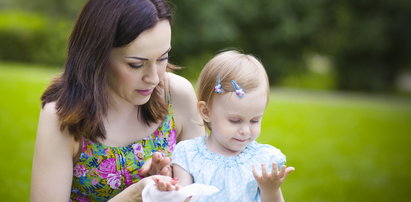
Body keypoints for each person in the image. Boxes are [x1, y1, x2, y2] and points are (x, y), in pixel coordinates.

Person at [30, 0, 204, 201]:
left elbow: (201, 189)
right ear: (97, 56)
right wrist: (135, 195)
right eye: (136, 64)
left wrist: (165, 188)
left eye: (162, 58)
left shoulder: (177, 95)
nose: (154, 78)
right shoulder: (62, 116)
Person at [155, 50, 295, 202]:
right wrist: (170, 192)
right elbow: (182, 198)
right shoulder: (188, 154)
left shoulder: (262, 159)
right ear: (206, 111)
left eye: (255, 120)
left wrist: (271, 189)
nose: (245, 131)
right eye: (235, 120)